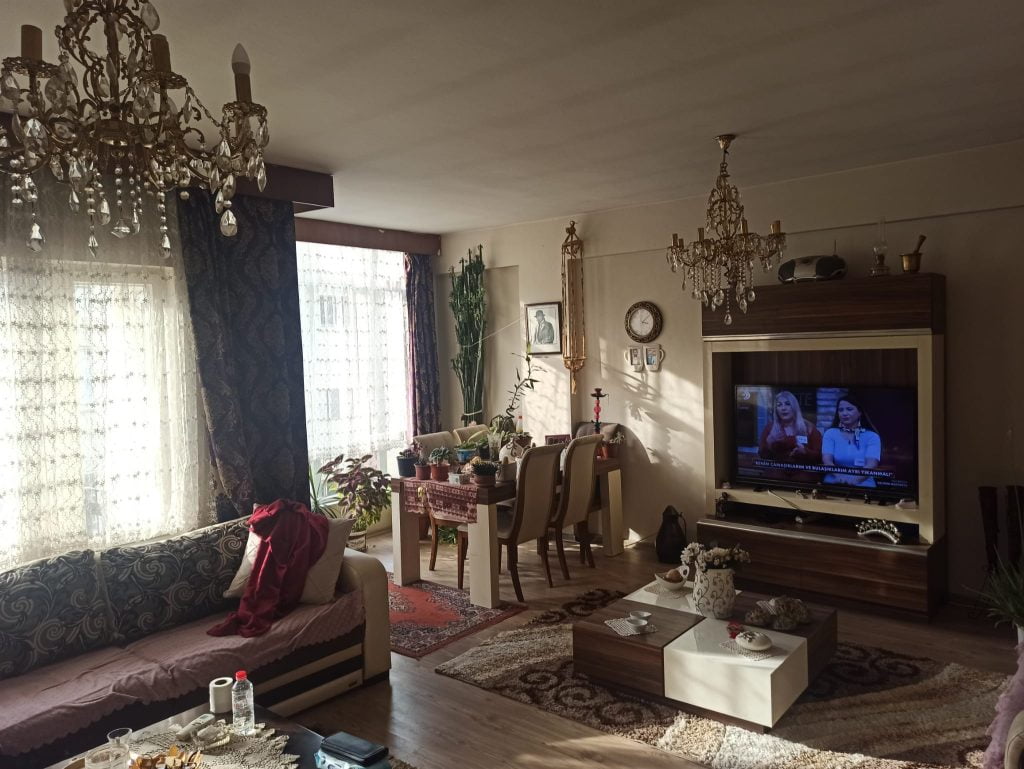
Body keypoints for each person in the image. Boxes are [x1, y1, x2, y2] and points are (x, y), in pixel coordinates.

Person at [822, 394, 882, 488]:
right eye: (841, 410)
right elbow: (827, 461)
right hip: (834, 482)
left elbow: (871, 464)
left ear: (859, 412)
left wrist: (854, 480)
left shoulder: (872, 436)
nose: (844, 413)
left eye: (849, 409)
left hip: (864, 485)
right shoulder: (830, 433)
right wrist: (840, 477)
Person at [758, 390, 822, 463]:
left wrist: (805, 452)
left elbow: (819, 457)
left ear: (794, 407)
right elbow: (762, 455)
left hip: (802, 468)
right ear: (776, 409)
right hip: (777, 467)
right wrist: (769, 443)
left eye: (787, 404)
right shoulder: (770, 428)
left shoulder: (809, 427)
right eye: (779, 405)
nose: (783, 408)